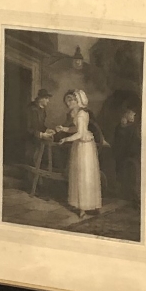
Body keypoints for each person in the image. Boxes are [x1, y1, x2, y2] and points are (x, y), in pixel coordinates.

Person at [61, 89, 103, 224]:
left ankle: (84, 208)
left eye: (71, 100)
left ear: (77, 101)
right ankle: (86, 206)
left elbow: (80, 134)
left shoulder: (80, 114)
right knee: (81, 176)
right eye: (67, 101)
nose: (68, 103)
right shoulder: (80, 113)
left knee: (84, 176)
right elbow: (77, 129)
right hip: (82, 146)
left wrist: (65, 139)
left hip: (84, 147)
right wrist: (64, 129)